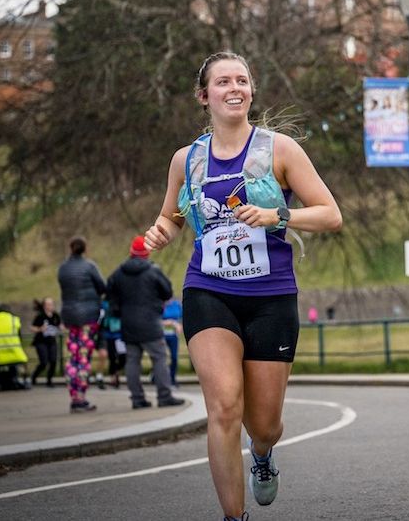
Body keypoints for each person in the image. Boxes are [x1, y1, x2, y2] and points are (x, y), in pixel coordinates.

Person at [143, 51, 342, 521]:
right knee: (224, 407)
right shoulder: (186, 160)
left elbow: (330, 215)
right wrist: (160, 232)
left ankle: (264, 454)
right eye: (223, 82)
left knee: (264, 424)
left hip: (271, 295)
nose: (235, 88)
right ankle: (234, 517)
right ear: (204, 96)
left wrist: (277, 215)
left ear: (251, 90)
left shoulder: (279, 150)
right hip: (208, 290)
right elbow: (171, 216)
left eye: (242, 81)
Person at [106, 236, 183, 409]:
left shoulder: (118, 273)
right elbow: (167, 291)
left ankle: (137, 399)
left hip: (128, 324)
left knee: (132, 361)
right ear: (146, 253)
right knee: (159, 358)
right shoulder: (153, 271)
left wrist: (118, 311)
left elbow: (109, 293)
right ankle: (164, 396)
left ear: (131, 252)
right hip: (151, 323)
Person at [57, 235, 106, 413]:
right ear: (85, 249)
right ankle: (81, 397)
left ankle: (73, 395)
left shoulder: (63, 268)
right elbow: (102, 287)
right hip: (88, 317)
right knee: (84, 356)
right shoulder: (89, 266)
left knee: (73, 357)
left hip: (70, 317)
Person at [30, 297, 62, 387]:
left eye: (52, 304)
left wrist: (61, 328)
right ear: (44, 306)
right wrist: (40, 329)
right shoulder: (40, 316)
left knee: (53, 361)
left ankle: (49, 380)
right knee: (44, 362)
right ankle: (34, 377)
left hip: (52, 341)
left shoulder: (55, 316)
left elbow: (60, 325)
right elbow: (32, 328)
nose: (51, 306)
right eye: (48, 304)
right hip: (41, 341)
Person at [100, 299, 127, 389]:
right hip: (108, 334)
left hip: (120, 334)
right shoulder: (104, 303)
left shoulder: (122, 300)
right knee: (112, 357)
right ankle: (114, 377)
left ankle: (116, 372)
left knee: (123, 357)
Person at [162, 298, 184, 388]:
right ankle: (159, 377)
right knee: (161, 358)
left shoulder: (176, 304)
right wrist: (171, 322)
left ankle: (172, 379)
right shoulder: (159, 304)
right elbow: (155, 320)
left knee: (174, 357)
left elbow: (182, 317)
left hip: (173, 336)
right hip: (161, 336)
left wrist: (180, 326)